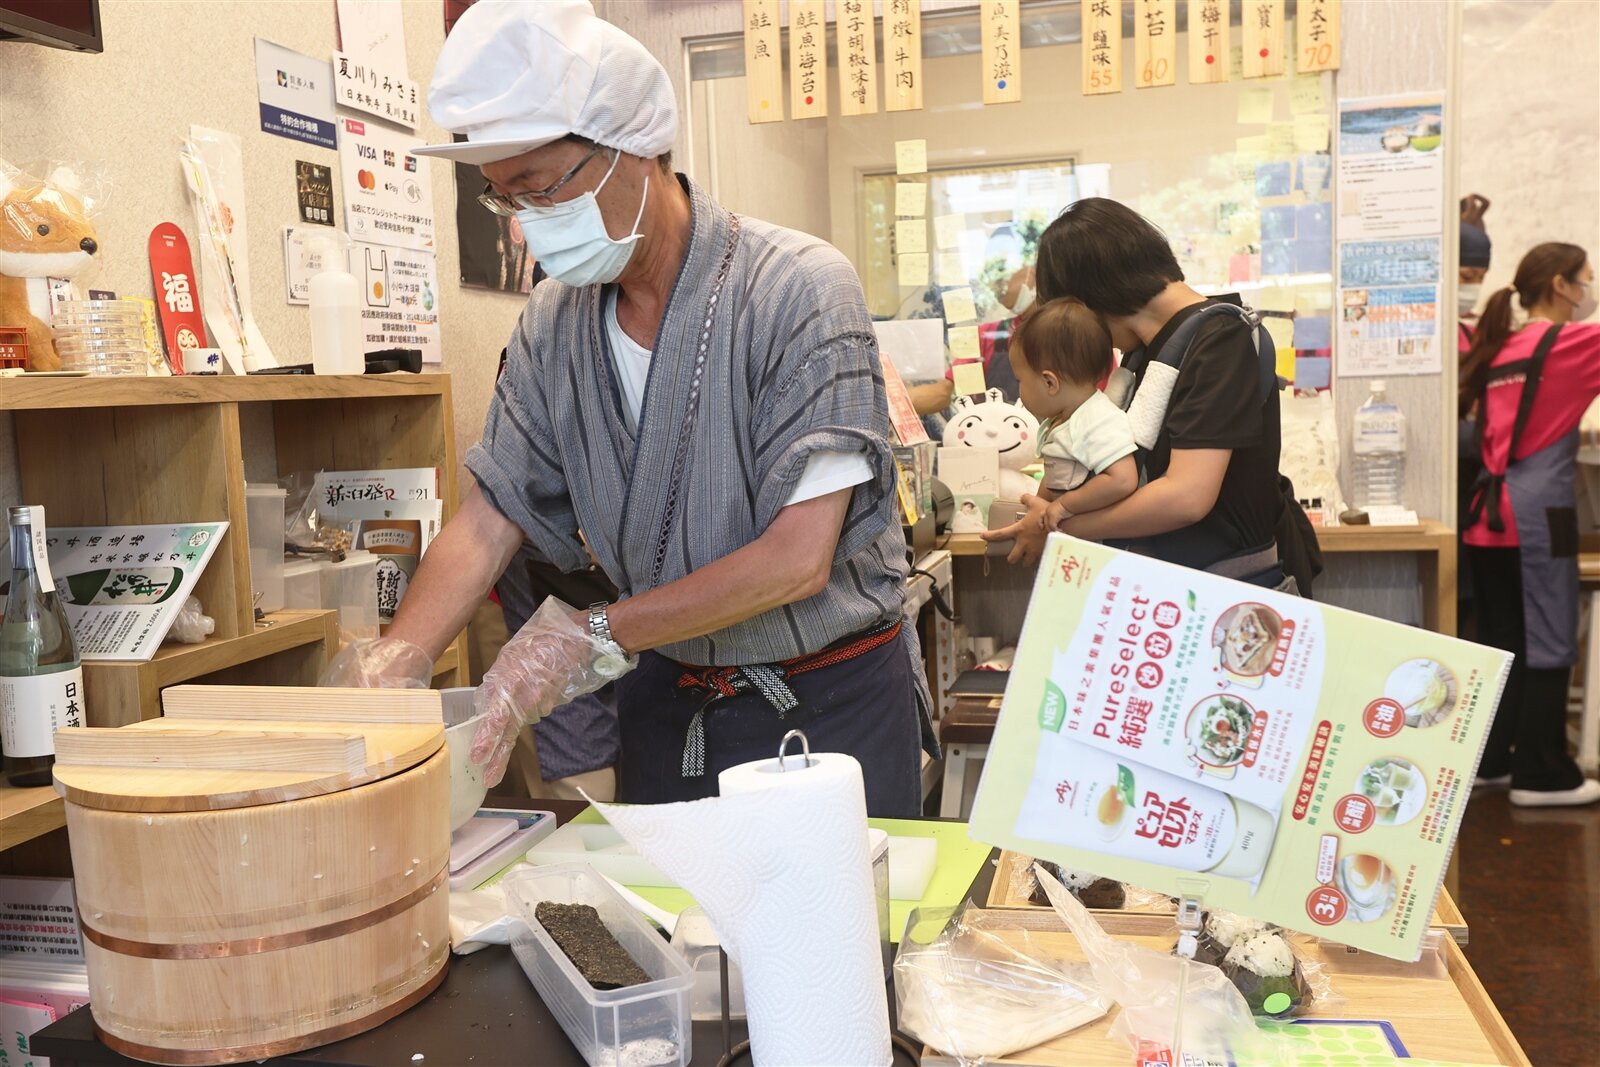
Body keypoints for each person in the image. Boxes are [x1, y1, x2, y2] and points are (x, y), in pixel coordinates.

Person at [325, 1, 932, 818]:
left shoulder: (796, 289)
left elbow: (797, 558)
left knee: (829, 939)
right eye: (507, 200)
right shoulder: (552, 325)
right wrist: (400, 655)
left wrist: (596, 635)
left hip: (825, 712)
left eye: (541, 189)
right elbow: (491, 514)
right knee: (665, 941)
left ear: (634, 151)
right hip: (669, 703)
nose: (532, 226)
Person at [984, 198, 1314, 594]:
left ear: (1090, 300)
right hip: (1168, 588)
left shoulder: (1220, 340)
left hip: (1226, 593)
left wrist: (1059, 523)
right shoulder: (1145, 352)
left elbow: (1186, 496)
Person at [1460, 242, 1600, 807]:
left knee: (1501, 642)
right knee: (1549, 637)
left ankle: (1493, 762)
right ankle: (1543, 774)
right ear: (1561, 286)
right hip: (1540, 514)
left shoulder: (1503, 345)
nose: (1591, 288)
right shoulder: (1572, 341)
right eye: (1587, 278)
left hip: (1485, 514)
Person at [1005, 298, 1138, 531]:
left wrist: (1065, 505)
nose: (1019, 388)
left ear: (1049, 382)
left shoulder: (1096, 419)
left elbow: (1123, 479)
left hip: (1102, 545)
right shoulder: (1065, 419)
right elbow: (1057, 470)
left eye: (1020, 380)